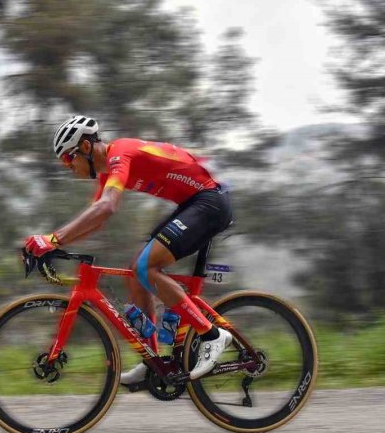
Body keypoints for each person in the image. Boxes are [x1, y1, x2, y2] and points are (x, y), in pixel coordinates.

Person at [22, 115, 234, 386]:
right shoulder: (108, 171)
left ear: (85, 147)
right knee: (136, 273)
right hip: (194, 203)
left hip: (209, 202)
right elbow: (97, 219)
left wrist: (52, 239)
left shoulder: (120, 154)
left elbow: (107, 207)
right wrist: (55, 243)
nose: (68, 166)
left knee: (147, 266)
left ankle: (211, 335)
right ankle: (152, 361)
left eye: (67, 158)